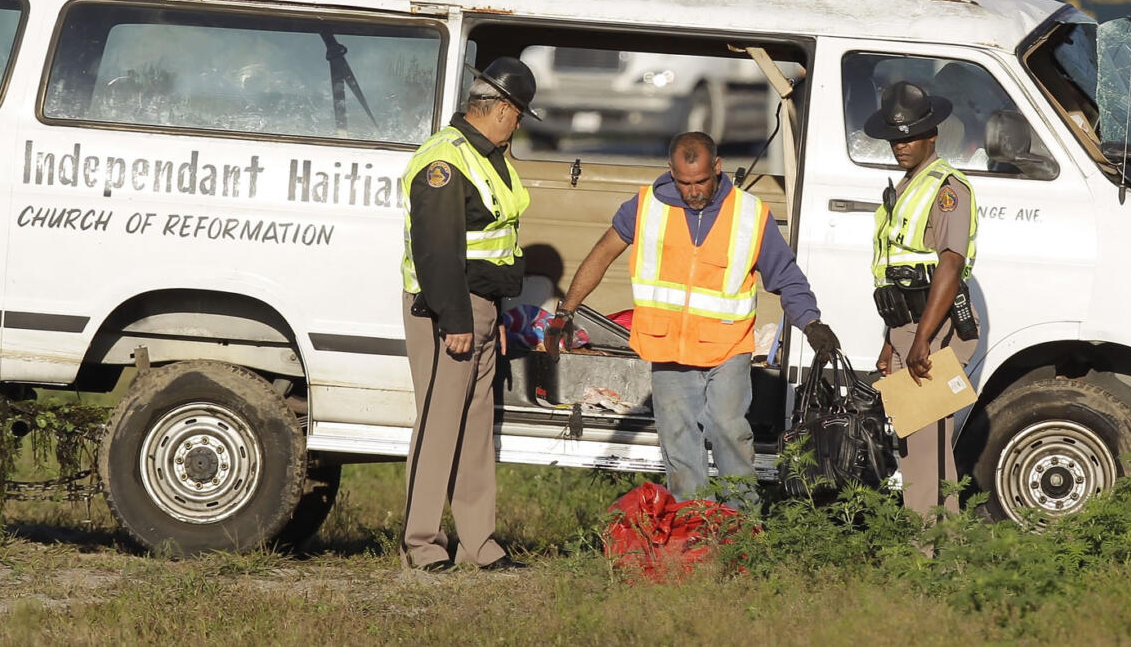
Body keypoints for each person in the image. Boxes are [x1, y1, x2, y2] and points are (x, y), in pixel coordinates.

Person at [547, 132, 839, 507]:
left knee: (728, 428)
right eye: (684, 183)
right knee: (679, 440)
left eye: (701, 181)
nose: (694, 191)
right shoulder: (645, 206)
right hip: (669, 348)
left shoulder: (749, 214)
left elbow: (785, 275)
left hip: (727, 347)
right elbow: (602, 254)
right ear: (671, 172)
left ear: (716, 167)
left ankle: (739, 525)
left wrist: (810, 323)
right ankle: (693, 525)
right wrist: (565, 312)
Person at [399, 56, 539, 572]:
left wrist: (492, 316)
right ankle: (423, 545)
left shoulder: (489, 155)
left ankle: (479, 543)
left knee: (476, 426)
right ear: (501, 108)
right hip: (447, 311)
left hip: (481, 309)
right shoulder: (445, 160)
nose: (520, 123)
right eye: (519, 113)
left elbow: (492, 242)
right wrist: (455, 319)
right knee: (439, 426)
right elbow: (437, 250)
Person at [864, 80, 980, 519]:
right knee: (927, 448)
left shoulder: (947, 188)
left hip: (930, 328)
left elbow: (948, 268)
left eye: (911, 134)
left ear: (932, 134)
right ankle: (942, 551)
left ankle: (923, 554)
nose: (901, 144)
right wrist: (892, 341)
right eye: (896, 137)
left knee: (921, 450)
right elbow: (897, 275)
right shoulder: (909, 186)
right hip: (907, 327)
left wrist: (921, 341)